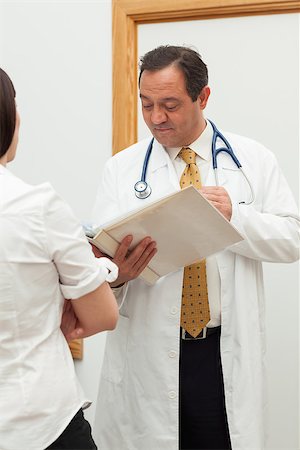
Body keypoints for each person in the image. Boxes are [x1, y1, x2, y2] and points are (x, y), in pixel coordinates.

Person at [92, 46, 299, 450]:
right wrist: (118, 272)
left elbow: (291, 240)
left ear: (203, 97)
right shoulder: (121, 168)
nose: (156, 118)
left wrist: (236, 217)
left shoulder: (252, 160)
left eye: (170, 105)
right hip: (149, 355)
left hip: (221, 353)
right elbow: (102, 267)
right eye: (146, 104)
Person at [0, 67, 119, 450]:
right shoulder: (36, 207)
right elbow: (101, 316)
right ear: (11, 119)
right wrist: (95, 272)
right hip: (40, 423)